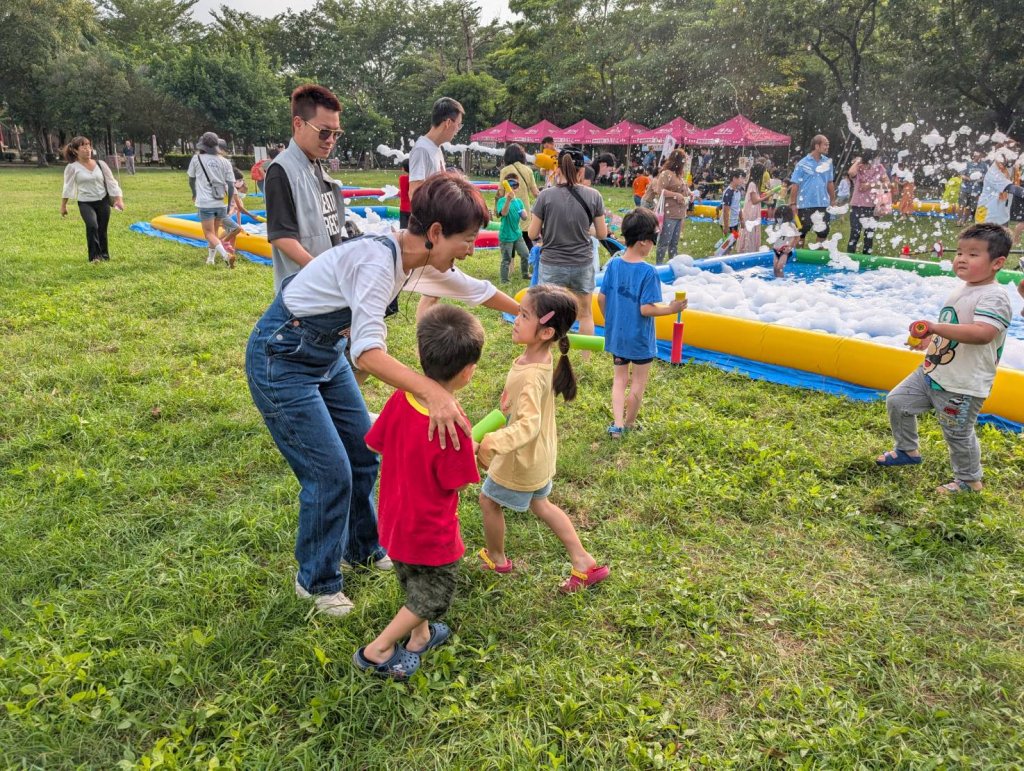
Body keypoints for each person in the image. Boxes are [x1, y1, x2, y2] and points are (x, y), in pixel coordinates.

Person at [245, 174, 489, 617]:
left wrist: (533, 310)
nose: (470, 249)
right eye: (467, 240)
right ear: (435, 233)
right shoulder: (380, 263)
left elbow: (473, 289)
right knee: (330, 472)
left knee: (363, 454)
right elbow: (369, 353)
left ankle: (363, 548)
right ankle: (316, 582)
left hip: (324, 352)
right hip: (281, 358)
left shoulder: (413, 258)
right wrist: (433, 390)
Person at [355, 305, 484, 680]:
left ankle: (419, 637)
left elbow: (377, 443)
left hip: (394, 521)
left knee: (413, 581)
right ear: (467, 371)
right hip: (430, 531)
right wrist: (474, 448)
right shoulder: (455, 427)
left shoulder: (400, 399)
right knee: (435, 592)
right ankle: (378, 649)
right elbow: (456, 481)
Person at [476, 284, 611, 593]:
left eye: (524, 315)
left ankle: (497, 559)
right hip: (540, 455)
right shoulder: (543, 357)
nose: (517, 319)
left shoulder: (531, 374)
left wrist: (491, 443)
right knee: (542, 505)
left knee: (488, 500)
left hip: (520, 459)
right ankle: (583, 560)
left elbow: (527, 426)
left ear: (547, 333)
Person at [875, 223, 1012, 494]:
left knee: (957, 433)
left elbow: (983, 333)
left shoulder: (994, 296)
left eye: (973, 254)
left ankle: (970, 480)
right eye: (960, 252)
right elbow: (955, 327)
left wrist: (936, 328)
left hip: (962, 384)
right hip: (932, 372)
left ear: (997, 262)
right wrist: (931, 339)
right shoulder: (965, 288)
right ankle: (907, 450)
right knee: (898, 401)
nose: (961, 258)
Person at [599, 209, 687, 438]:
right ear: (642, 242)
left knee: (619, 379)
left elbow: (601, 298)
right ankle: (628, 425)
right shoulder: (648, 272)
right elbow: (646, 309)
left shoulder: (614, 265)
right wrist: (672, 308)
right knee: (638, 381)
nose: (652, 246)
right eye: (652, 241)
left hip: (617, 334)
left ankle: (616, 424)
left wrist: (611, 321)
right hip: (639, 338)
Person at [528, 148, 608, 361]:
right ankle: (585, 360)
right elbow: (602, 233)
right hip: (582, 264)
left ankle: (545, 357)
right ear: (582, 171)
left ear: (557, 169)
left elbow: (532, 233)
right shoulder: (594, 196)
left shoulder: (546, 196)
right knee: (585, 314)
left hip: (552, 264)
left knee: (547, 314)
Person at [264, 84, 347, 292]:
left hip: (329, 289)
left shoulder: (316, 167)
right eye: (324, 132)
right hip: (305, 294)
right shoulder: (281, 171)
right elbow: (281, 237)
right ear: (298, 123)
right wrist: (322, 271)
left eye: (336, 134)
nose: (330, 141)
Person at [60, 136, 125, 263]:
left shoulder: (101, 164)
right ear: (75, 151)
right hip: (85, 203)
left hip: (103, 201)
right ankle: (94, 257)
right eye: (83, 147)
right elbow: (67, 187)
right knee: (92, 226)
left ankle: (104, 256)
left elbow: (112, 183)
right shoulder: (72, 167)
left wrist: (119, 199)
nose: (87, 149)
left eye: (89, 146)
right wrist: (63, 206)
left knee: (102, 229)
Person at [187, 132, 236, 267]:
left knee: (208, 233)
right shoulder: (225, 161)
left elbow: (191, 179)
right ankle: (210, 259)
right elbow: (231, 185)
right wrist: (228, 203)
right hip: (220, 202)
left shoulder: (197, 159)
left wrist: (194, 192)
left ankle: (226, 255)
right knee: (214, 233)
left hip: (205, 203)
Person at [789, 134, 836, 246]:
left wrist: (833, 200)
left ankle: (818, 259)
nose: (827, 147)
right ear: (816, 146)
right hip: (805, 205)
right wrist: (793, 204)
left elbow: (830, 182)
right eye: (825, 144)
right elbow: (795, 185)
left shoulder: (827, 163)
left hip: (823, 204)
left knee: (823, 233)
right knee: (801, 233)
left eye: (828, 144)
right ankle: (797, 259)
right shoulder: (802, 164)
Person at [846, 148, 891, 255]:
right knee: (854, 234)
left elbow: (887, 184)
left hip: (873, 207)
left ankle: (866, 263)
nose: (879, 160)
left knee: (869, 236)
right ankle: (849, 259)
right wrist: (858, 161)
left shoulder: (880, 168)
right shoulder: (858, 168)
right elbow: (850, 172)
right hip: (857, 206)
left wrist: (870, 185)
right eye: (877, 157)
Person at [499, 143, 541, 250]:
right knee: (527, 242)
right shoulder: (528, 170)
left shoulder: (504, 171)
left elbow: (500, 193)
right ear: (522, 156)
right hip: (523, 210)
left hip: (509, 211)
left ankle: (510, 267)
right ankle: (531, 263)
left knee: (509, 245)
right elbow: (536, 193)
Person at [653, 149, 691, 264]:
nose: (685, 165)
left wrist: (690, 193)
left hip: (679, 213)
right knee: (664, 242)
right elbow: (660, 191)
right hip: (669, 213)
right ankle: (659, 265)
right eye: (683, 162)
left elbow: (682, 189)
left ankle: (674, 264)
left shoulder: (679, 175)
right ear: (678, 161)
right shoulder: (666, 173)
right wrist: (676, 195)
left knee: (674, 243)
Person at [496, 175, 530, 282]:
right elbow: (504, 213)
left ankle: (525, 274)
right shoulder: (501, 201)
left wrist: (524, 213)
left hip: (517, 234)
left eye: (516, 186)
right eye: (512, 186)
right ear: (507, 187)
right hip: (506, 235)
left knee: (525, 254)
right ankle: (504, 280)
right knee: (506, 259)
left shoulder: (519, 201)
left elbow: (524, 218)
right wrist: (508, 200)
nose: (514, 188)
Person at [737, 162, 768, 253]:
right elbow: (754, 201)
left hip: (752, 210)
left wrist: (763, 196)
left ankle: (750, 249)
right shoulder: (752, 184)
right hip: (751, 211)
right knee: (750, 230)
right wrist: (767, 196)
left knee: (751, 229)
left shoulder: (753, 184)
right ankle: (747, 249)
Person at [719, 170, 746, 254]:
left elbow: (738, 206)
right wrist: (726, 227)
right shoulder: (729, 192)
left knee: (733, 240)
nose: (743, 181)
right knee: (727, 244)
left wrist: (741, 219)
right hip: (727, 223)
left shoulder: (738, 191)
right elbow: (726, 211)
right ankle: (723, 255)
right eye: (741, 178)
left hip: (734, 222)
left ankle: (726, 253)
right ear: (734, 179)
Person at [768, 205, 798, 277]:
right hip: (776, 250)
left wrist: (790, 246)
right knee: (775, 268)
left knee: (779, 268)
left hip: (785, 251)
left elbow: (795, 237)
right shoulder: (777, 226)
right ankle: (777, 282)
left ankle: (781, 283)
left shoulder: (791, 225)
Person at [959, 151, 988, 224]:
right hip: (965, 189)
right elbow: (961, 175)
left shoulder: (984, 165)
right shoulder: (968, 164)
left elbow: (987, 176)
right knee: (961, 205)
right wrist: (969, 178)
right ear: (973, 156)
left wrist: (982, 179)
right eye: (976, 156)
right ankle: (959, 221)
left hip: (976, 190)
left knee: (969, 207)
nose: (978, 157)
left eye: (980, 156)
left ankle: (964, 221)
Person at [398, 158, 411, 228]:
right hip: (413, 209)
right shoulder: (415, 180)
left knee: (403, 230)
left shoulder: (401, 178)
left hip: (403, 208)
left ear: (403, 168)